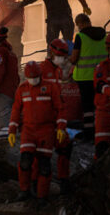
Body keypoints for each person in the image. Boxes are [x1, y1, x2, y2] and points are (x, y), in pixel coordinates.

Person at [8, 61, 66, 203]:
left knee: (44, 164)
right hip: (28, 130)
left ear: (40, 75)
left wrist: (61, 127)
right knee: (25, 161)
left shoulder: (50, 87)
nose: (33, 80)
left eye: (36, 77)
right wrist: (12, 130)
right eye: (30, 78)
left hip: (46, 130)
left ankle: (42, 196)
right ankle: (24, 191)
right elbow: (16, 110)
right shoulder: (22, 89)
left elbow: (60, 108)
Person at [20, 0, 91, 46]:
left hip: (52, 21)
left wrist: (19, 5)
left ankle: (51, 57)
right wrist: (85, 6)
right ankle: (69, 56)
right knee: (68, 43)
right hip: (66, 18)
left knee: (52, 45)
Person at [40, 39, 73, 193]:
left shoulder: (58, 71)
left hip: (55, 118)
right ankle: (38, 189)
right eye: (58, 55)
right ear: (51, 52)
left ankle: (63, 180)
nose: (60, 59)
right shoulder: (40, 69)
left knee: (65, 147)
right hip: (42, 120)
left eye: (63, 56)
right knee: (41, 158)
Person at [70, 13, 107, 141]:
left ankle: (89, 133)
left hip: (84, 78)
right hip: (101, 76)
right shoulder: (103, 34)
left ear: (79, 24)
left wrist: (69, 60)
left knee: (87, 107)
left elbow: (74, 59)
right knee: (100, 104)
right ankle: (101, 130)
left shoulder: (80, 37)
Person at [0, 27, 20, 129]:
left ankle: (8, 144)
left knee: (5, 125)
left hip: (2, 94)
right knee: (13, 122)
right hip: (12, 92)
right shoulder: (11, 53)